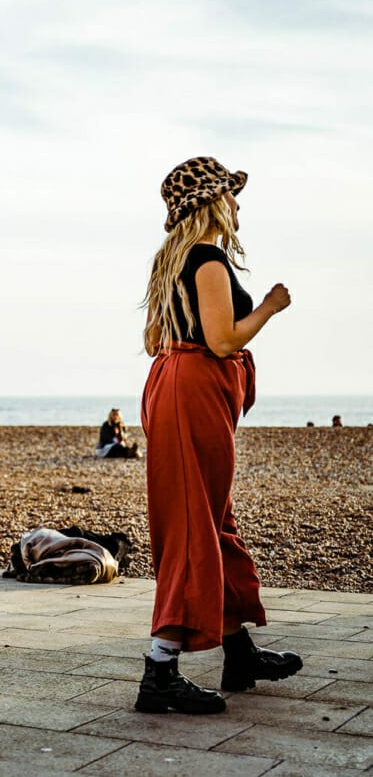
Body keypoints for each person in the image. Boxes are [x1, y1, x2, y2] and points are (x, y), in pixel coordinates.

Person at [138, 156, 301, 715]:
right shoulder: (205, 259)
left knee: (213, 519)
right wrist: (271, 309)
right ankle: (159, 672)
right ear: (212, 202)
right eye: (231, 194)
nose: (237, 203)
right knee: (193, 524)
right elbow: (224, 340)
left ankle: (238, 651)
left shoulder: (173, 261)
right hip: (194, 391)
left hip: (178, 386)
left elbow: (155, 335)